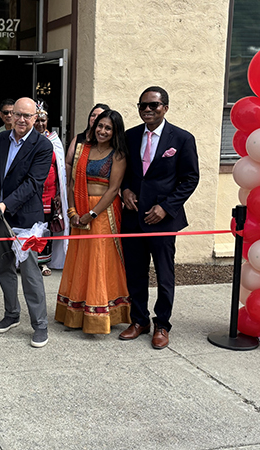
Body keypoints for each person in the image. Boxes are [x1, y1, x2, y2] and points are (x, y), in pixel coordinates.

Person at [119, 86, 199, 349]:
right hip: (133, 218)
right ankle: (139, 320)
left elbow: (190, 179)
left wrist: (166, 207)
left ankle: (162, 324)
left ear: (165, 107)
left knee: (164, 275)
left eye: (153, 105)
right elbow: (125, 173)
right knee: (135, 273)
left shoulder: (182, 139)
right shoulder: (129, 136)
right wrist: (125, 190)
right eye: (143, 105)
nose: (147, 110)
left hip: (163, 220)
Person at [0, 97, 53, 348]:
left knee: (31, 273)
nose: (21, 119)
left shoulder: (42, 146)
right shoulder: (0, 140)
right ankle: (11, 314)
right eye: (17, 114)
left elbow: (34, 183)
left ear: (36, 118)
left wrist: (4, 204)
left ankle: (40, 325)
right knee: (4, 269)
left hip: (26, 219)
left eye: (27, 116)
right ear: (10, 115)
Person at [56, 110, 131, 334]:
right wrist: (72, 211)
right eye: (100, 126)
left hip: (103, 213)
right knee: (80, 259)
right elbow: (71, 182)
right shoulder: (82, 149)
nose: (103, 131)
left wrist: (92, 214)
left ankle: (98, 315)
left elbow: (114, 189)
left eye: (108, 128)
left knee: (99, 260)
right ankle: (75, 311)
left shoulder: (117, 154)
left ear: (115, 131)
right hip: (78, 208)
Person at [33, 100, 69, 275]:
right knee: (30, 227)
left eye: (43, 120)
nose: (40, 124)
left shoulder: (54, 140)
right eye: (37, 120)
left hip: (49, 194)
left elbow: (60, 168)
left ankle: (43, 263)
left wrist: (59, 194)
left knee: (46, 228)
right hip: (31, 193)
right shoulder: (27, 138)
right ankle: (28, 260)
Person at [65, 103, 110, 183]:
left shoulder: (107, 141)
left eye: (99, 116)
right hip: (76, 185)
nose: (95, 118)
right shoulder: (79, 138)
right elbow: (68, 163)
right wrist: (67, 185)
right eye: (93, 115)